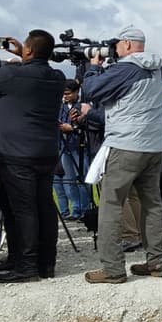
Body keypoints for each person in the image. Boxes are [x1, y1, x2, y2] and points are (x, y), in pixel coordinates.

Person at [0, 31, 66, 283]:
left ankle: (27, 266)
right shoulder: (57, 77)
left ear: (29, 51)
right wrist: (24, 54)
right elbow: (32, 71)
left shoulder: (14, 74)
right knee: (44, 206)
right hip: (46, 152)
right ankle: (46, 264)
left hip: (17, 153)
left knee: (23, 209)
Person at [80, 26, 162, 283]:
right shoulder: (159, 69)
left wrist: (93, 67)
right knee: (151, 203)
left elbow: (91, 91)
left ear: (128, 45)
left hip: (126, 144)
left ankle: (112, 268)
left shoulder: (126, 68)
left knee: (111, 205)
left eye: (118, 45)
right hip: (153, 144)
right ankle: (158, 261)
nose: (116, 49)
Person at [54, 80, 91, 221]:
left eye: (68, 93)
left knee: (82, 178)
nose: (66, 96)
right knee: (70, 180)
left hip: (79, 147)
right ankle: (75, 208)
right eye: (64, 94)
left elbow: (87, 125)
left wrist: (73, 127)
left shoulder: (83, 106)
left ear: (76, 92)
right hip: (65, 147)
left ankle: (85, 208)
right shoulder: (61, 107)